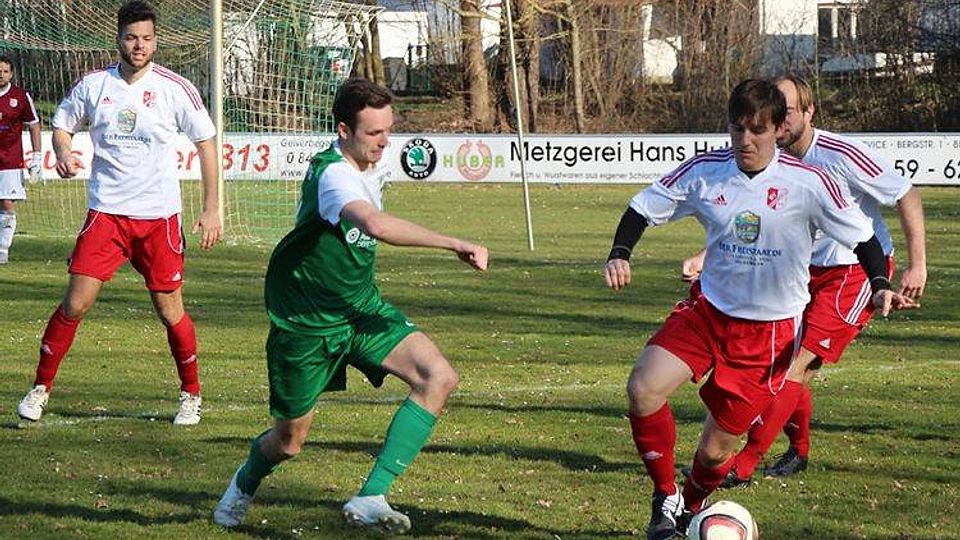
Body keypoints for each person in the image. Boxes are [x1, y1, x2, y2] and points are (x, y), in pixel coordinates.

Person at [604, 79, 916, 540]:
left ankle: (690, 506)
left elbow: (863, 237)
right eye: (737, 129)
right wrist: (620, 252)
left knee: (714, 454)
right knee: (643, 388)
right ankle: (664, 498)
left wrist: (880, 283)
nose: (745, 141)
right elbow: (641, 209)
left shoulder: (808, 182)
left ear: (777, 128)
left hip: (768, 335)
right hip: (708, 312)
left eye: (757, 130)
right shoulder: (705, 171)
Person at [212, 77, 488, 535]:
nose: (385, 142)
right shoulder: (333, 174)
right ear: (344, 130)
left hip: (360, 311)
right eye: (373, 133)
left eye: (388, 130)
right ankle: (242, 486)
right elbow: (375, 224)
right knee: (289, 441)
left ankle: (372, 495)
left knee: (438, 376)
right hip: (306, 324)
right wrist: (452, 242)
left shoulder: (371, 164)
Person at [680, 74, 927, 487]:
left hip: (853, 269)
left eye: (788, 110)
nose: (779, 119)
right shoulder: (768, 162)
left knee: (797, 364)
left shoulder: (840, 154)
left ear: (809, 112)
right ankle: (800, 450)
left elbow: (907, 192)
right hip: (799, 269)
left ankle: (744, 464)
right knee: (781, 365)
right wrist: (708, 256)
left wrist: (916, 265)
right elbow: (751, 219)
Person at [15, 0, 222, 426]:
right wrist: (64, 151)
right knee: (75, 303)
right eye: (131, 37)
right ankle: (39, 389)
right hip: (106, 214)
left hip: (158, 217)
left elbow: (206, 144)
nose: (139, 45)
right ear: (118, 38)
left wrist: (212, 207)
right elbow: (62, 125)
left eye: (146, 38)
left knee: (170, 311)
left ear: (156, 40)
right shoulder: (95, 85)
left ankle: (191, 394)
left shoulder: (174, 87)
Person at [0, 54, 42, 264]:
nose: (1, 75)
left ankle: (2, 249)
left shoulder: (20, 96)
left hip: (10, 160)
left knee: (7, 203)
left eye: (5, 71)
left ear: (11, 74)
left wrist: (36, 157)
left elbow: (34, 125)